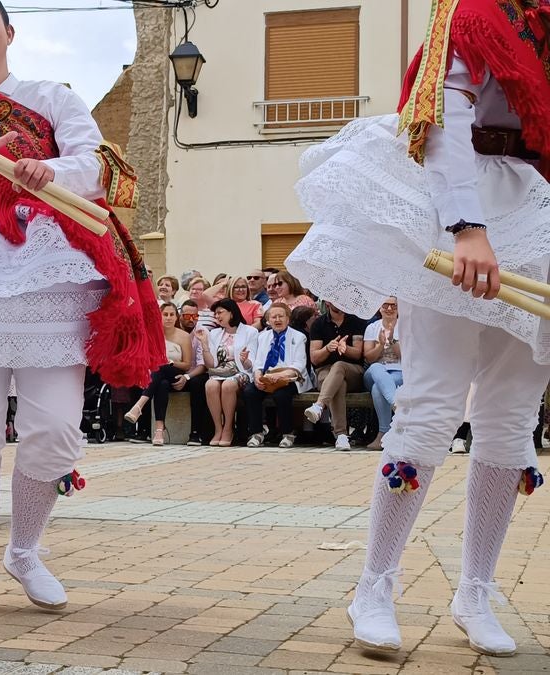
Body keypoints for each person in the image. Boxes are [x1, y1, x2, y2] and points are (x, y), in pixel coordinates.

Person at [286, 0, 550, 656]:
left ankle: (477, 590)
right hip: (472, 204)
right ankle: (374, 584)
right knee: (431, 406)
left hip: (543, 216)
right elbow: (445, 114)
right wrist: (468, 227)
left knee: (514, 418)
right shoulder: (479, 11)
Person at [0, 0, 159, 617]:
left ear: (8, 31)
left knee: (54, 428)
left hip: (47, 270)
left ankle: (24, 550)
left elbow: (99, 165)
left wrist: (39, 169)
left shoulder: (52, 96)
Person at [124, 303, 194, 445]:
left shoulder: (184, 336)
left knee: (161, 364)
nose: (168, 318)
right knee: (161, 383)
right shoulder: (152, 335)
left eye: (171, 315)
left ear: (176, 317)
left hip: (175, 372)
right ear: (159, 317)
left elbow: (187, 364)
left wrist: (171, 363)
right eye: (165, 315)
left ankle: (139, 405)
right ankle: (159, 430)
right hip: (157, 375)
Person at [304, 302, 368, 451]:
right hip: (325, 371)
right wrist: (327, 348)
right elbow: (314, 358)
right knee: (339, 384)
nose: (338, 302)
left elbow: (358, 353)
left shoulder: (356, 321)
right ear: (327, 302)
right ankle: (341, 436)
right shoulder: (319, 324)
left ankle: (319, 405)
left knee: (339, 365)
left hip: (353, 370)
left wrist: (345, 349)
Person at [245, 304, 311, 448]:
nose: (277, 319)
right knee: (250, 392)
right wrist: (257, 376)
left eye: (281, 316)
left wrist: (280, 375)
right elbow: (259, 362)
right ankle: (256, 432)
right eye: (273, 317)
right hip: (268, 376)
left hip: (290, 377)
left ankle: (287, 433)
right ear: (268, 320)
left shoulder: (299, 337)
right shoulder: (263, 336)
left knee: (281, 395)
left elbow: (299, 365)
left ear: (288, 319)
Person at [196, 299, 257, 446]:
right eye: (215, 314)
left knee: (228, 386)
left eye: (220, 312)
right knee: (210, 385)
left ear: (231, 312)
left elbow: (251, 364)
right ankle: (218, 428)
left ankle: (228, 428)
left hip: (241, 371)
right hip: (219, 371)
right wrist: (204, 344)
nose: (217, 316)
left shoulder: (250, 332)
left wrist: (244, 360)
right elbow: (211, 365)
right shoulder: (215, 333)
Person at [363, 298, 403, 451]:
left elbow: (405, 357)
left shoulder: (405, 327)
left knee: (377, 389)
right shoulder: (372, 327)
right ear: (379, 308)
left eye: (393, 305)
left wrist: (392, 340)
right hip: (375, 372)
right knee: (376, 367)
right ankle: (396, 403)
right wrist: (380, 345)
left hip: (398, 372)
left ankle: (383, 434)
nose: (389, 308)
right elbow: (369, 357)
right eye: (385, 305)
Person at [177, 299, 212, 446]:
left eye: (195, 316)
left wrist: (186, 377)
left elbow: (202, 365)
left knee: (199, 384)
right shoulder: (172, 330)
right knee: (159, 381)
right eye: (187, 316)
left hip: (194, 374)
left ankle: (196, 433)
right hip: (174, 370)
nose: (191, 320)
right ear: (180, 315)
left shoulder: (203, 332)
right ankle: (148, 430)